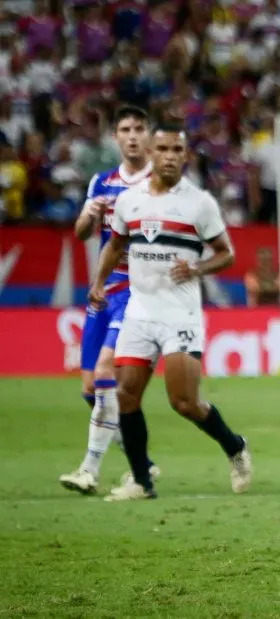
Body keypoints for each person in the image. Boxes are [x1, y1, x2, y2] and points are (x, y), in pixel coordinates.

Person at [87, 121, 253, 501]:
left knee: (184, 403)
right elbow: (115, 245)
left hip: (180, 315)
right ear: (150, 153)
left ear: (186, 156)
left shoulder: (199, 203)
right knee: (125, 396)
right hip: (139, 311)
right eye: (163, 150)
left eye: (177, 151)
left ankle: (235, 446)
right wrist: (99, 281)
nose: (170, 157)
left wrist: (197, 268)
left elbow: (226, 253)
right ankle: (142, 480)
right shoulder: (130, 201)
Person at [59, 105, 161, 495]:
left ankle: (89, 469)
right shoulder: (101, 181)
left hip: (138, 293)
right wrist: (88, 213)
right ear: (115, 137)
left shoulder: (159, 184)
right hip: (103, 293)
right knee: (90, 389)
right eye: (125, 129)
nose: (132, 135)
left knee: (105, 370)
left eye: (139, 128)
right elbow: (83, 234)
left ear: (149, 135)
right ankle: (143, 464)